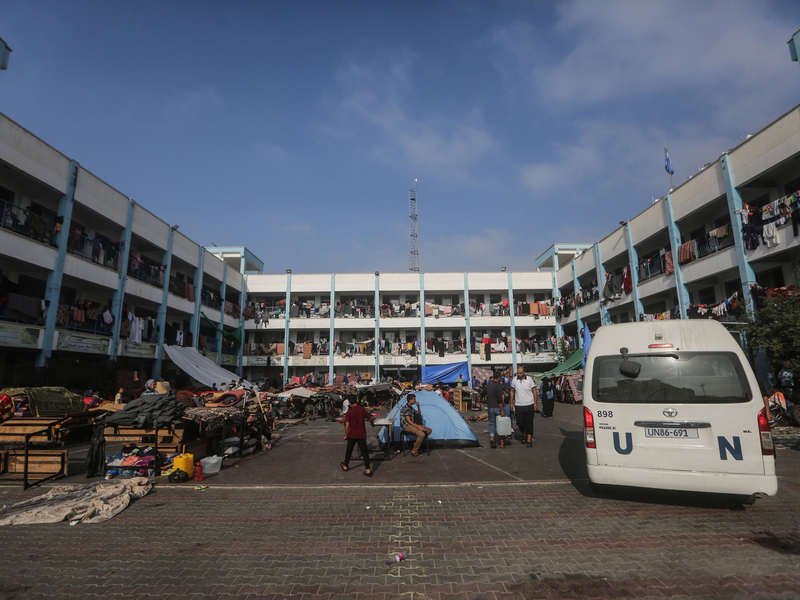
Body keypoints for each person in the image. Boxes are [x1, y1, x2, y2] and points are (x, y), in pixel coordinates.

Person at [340, 400, 374, 477]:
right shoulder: (362, 410)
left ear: (350, 403)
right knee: (364, 452)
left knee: (349, 450)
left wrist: (346, 435)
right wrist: (372, 424)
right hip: (361, 434)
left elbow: (347, 425)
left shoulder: (350, 412)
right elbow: (370, 419)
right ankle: (368, 469)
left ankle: (345, 465)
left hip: (352, 434)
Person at [510, 366, 537, 447]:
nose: (519, 374)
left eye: (521, 373)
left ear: (524, 372)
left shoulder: (529, 380)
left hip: (529, 404)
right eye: (518, 373)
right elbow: (512, 391)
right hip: (519, 405)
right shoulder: (514, 380)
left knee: (529, 422)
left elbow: (534, 391)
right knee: (520, 422)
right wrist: (511, 403)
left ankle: (528, 439)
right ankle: (523, 432)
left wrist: (535, 403)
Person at [486, 372, 505, 448]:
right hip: (497, 407)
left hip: (490, 407)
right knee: (500, 424)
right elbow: (499, 399)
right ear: (499, 377)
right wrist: (502, 409)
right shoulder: (498, 386)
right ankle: (501, 442)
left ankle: (492, 438)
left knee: (492, 423)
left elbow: (484, 393)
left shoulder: (488, 385)